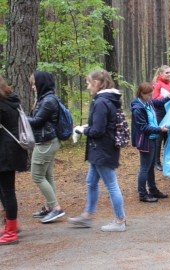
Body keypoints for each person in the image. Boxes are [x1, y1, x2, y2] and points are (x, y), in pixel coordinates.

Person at [68, 70, 126, 231]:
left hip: (102, 149)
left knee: (111, 185)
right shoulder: (106, 100)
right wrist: (88, 127)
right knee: (91, 182)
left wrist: (82, 130)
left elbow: (98, 130)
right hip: (99, 149)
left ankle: (120, 221)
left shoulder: (101, 102)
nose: (87, 87)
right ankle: (87, 216)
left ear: (97, 83)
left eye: (88, 83)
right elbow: (103, 125)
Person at [28, 71, 65, 223]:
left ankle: (55, 208)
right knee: (47, 176)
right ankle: (49, 207)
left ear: (41, 83)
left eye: (34, 84)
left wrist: (21, 118)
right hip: (48, 141)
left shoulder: (48, 101)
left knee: (37, 176)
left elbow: (37, 121)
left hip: (46, 143)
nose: (33, 87)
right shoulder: (45, 99)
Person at [131, 82, 170, 202]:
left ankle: (153, 190)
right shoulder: (138, 109)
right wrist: (160, 129)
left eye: (152, 94)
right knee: (145, 168)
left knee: (150, 167)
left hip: (152, 138)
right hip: (146, 140)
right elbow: (143, 128)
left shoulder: (149, 102)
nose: (152, 97)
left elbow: (160, 102)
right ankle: (142, 194)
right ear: (142, 94)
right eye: (149, 95)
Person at [0, 76, 27, 245]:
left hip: (5, 152)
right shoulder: (11, 100)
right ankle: (12, 223)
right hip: (10, 150)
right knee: (3, 189)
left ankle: (11, 231)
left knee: (7, 190)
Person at [152, 65, 170, 171]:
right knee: (159, 137)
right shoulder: (157, 85)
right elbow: (154, 101)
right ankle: (156, 162)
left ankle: (167, 161)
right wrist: (168, 97)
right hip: (160, 113)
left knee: (168, 137)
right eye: (167, 72)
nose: (169, 74)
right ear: (161, 74)